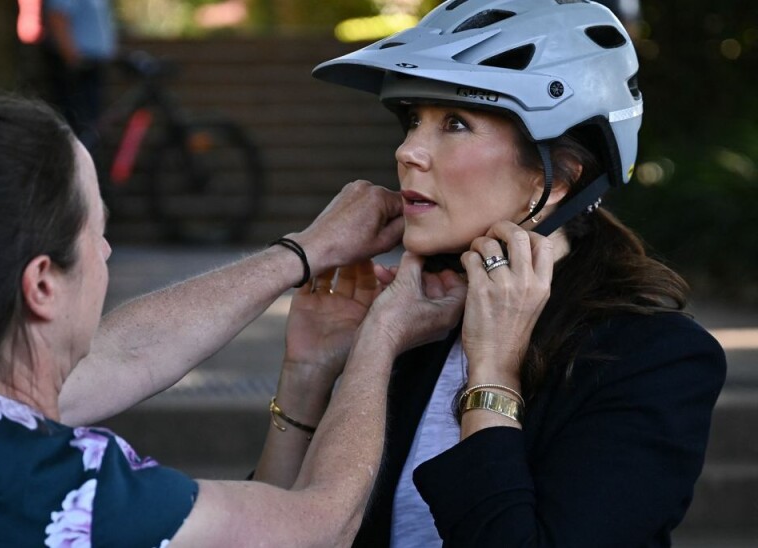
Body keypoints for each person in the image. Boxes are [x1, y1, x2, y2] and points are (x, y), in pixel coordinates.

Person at [0, 94, 468, 546]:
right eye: (99, 231)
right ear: (43, 283)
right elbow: (318, 527)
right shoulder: (70, 491)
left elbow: (124, 355)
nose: (105, 252)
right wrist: (380, 337)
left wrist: (305, 256)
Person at [261, 0, 725, 546]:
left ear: (556, 180)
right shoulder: (414, 321)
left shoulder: (653, 359)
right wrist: (308, 375)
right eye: (413, 120)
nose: (407, 150)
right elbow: (271, 533)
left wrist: (493, 376)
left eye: (454, 123)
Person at [41, 0, 118, 149]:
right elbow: (57, 17)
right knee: (75, 124)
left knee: (90, 123)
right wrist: (73, 59)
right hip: (76, 69)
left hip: (92, 66)